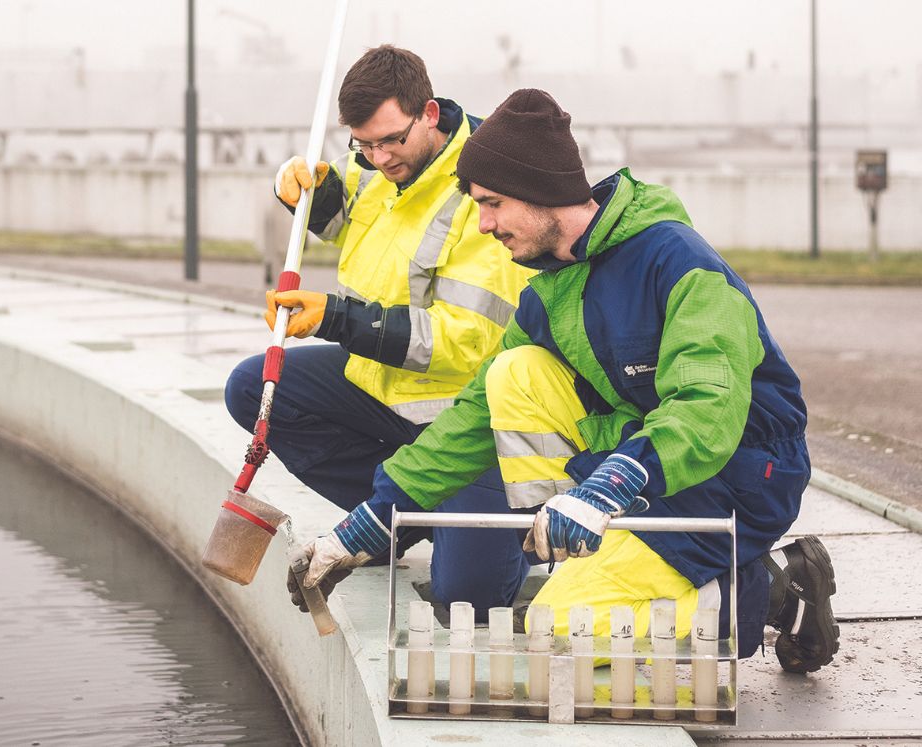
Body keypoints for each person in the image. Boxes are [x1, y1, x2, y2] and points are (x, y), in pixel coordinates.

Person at [297, 88, 839, 674]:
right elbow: (474, 417)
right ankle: (578, 555)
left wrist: (611, 487)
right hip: (643, 465)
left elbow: (706, 406)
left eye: (493, 203)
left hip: (736, 474)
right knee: (513, 373)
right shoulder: (552, 289)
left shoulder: (678, 263)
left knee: (556, 629)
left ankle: (771, 593)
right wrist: (364, 527)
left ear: (540, 192)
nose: (484, 225)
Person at [224, 46, 534, 616]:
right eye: (363, 143)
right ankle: (398, 520)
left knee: (467, 599)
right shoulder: (376, 168)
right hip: (384, 390)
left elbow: (464, 341)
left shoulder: (485, 190)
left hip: (467, 418)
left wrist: (337, 318)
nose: (379, 156)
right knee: (252, 387)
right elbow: (352, 220)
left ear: (430, 113)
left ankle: (512, 535)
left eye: (391, 139)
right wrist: (306, 192)